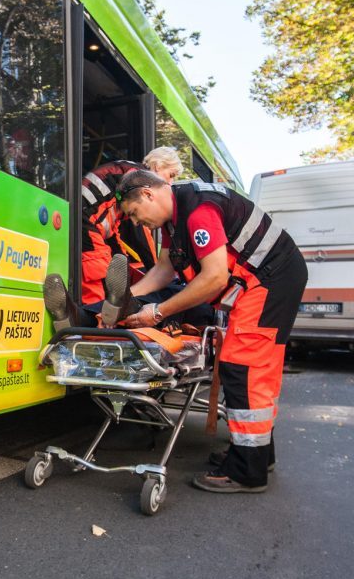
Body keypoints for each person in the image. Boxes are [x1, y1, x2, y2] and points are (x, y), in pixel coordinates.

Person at [114, 169, 307, 494]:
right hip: (267, 279)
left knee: (242, 368)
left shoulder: (199, 211)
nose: (136, 223)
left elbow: (215, 277)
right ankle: (257, 455)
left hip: (271, 279)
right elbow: (164, 269)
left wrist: (158, 311)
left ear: (148, 194)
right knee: (251, 369)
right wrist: (128, 299)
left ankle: (248, 471)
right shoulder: (173, 219)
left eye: (134, 213)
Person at [78, 147, 184, 305]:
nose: (170, 182)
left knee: (121, 265)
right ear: (158, 166)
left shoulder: (127, 170)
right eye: (171, 175)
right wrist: (156, 269)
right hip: (86, 219)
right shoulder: (137, 178)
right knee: (96, 269)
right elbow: (140, 234)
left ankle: (114, 307)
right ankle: (94, 318)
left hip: (97, 222)